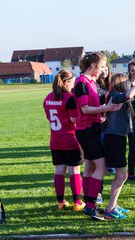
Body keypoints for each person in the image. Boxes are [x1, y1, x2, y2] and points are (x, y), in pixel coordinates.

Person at [73, 52, 121, 221]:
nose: (102, 70)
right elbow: (85, 109)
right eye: (101, 66)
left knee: (92, 168)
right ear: (92, 65)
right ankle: (91, 206)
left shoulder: (91, 82)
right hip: (86, 130)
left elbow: (90, 109)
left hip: (91, 127)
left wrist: (101, 113)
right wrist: (106, 108)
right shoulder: (82, 83)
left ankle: (89, 204)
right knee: (102, 167)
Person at [103, 73, 135, 220]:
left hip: (117, 138)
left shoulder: (117, 96)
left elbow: (134, 96)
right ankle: (110, 209)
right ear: (121, 84)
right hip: (113, 139)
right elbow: (129, 94)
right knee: (122, 175)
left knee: (121, 175)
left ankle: (113, 205)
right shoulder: (115, 95)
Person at [43, 70, 85, 212]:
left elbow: (50, 118)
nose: (73, 85)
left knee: (59, 171)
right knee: (75, 171)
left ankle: (61, 202)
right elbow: (74, 120)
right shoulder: (69, 98)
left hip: (55, 140)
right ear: (66, 82)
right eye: (72, 82)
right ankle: (78, 202)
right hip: (71, 140)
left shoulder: (47, 98)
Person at [95, 63, 114, 204]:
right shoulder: (95, 86)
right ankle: (98, 193)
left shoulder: (112, 85)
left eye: (106, 69)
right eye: (102, 69)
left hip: (112, 125)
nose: (104, 72)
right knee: (98, 163)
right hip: (99, 125)